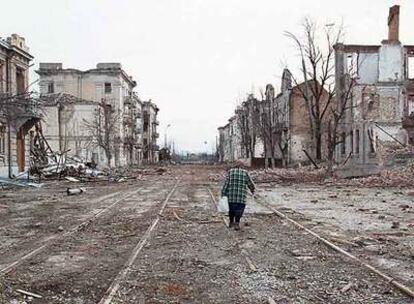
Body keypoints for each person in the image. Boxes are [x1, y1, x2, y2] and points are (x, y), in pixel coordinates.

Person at [221, 162, 255, 230]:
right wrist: (252, 190)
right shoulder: (245, 173)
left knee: (231, 210)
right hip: (241, 196)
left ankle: (231, 222)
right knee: (239, 210)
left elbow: (226, 183)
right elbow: (250, 183)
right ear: (242, 166)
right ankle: (237, 223)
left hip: (231, 196)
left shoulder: (230, 172)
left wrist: (223, 193)